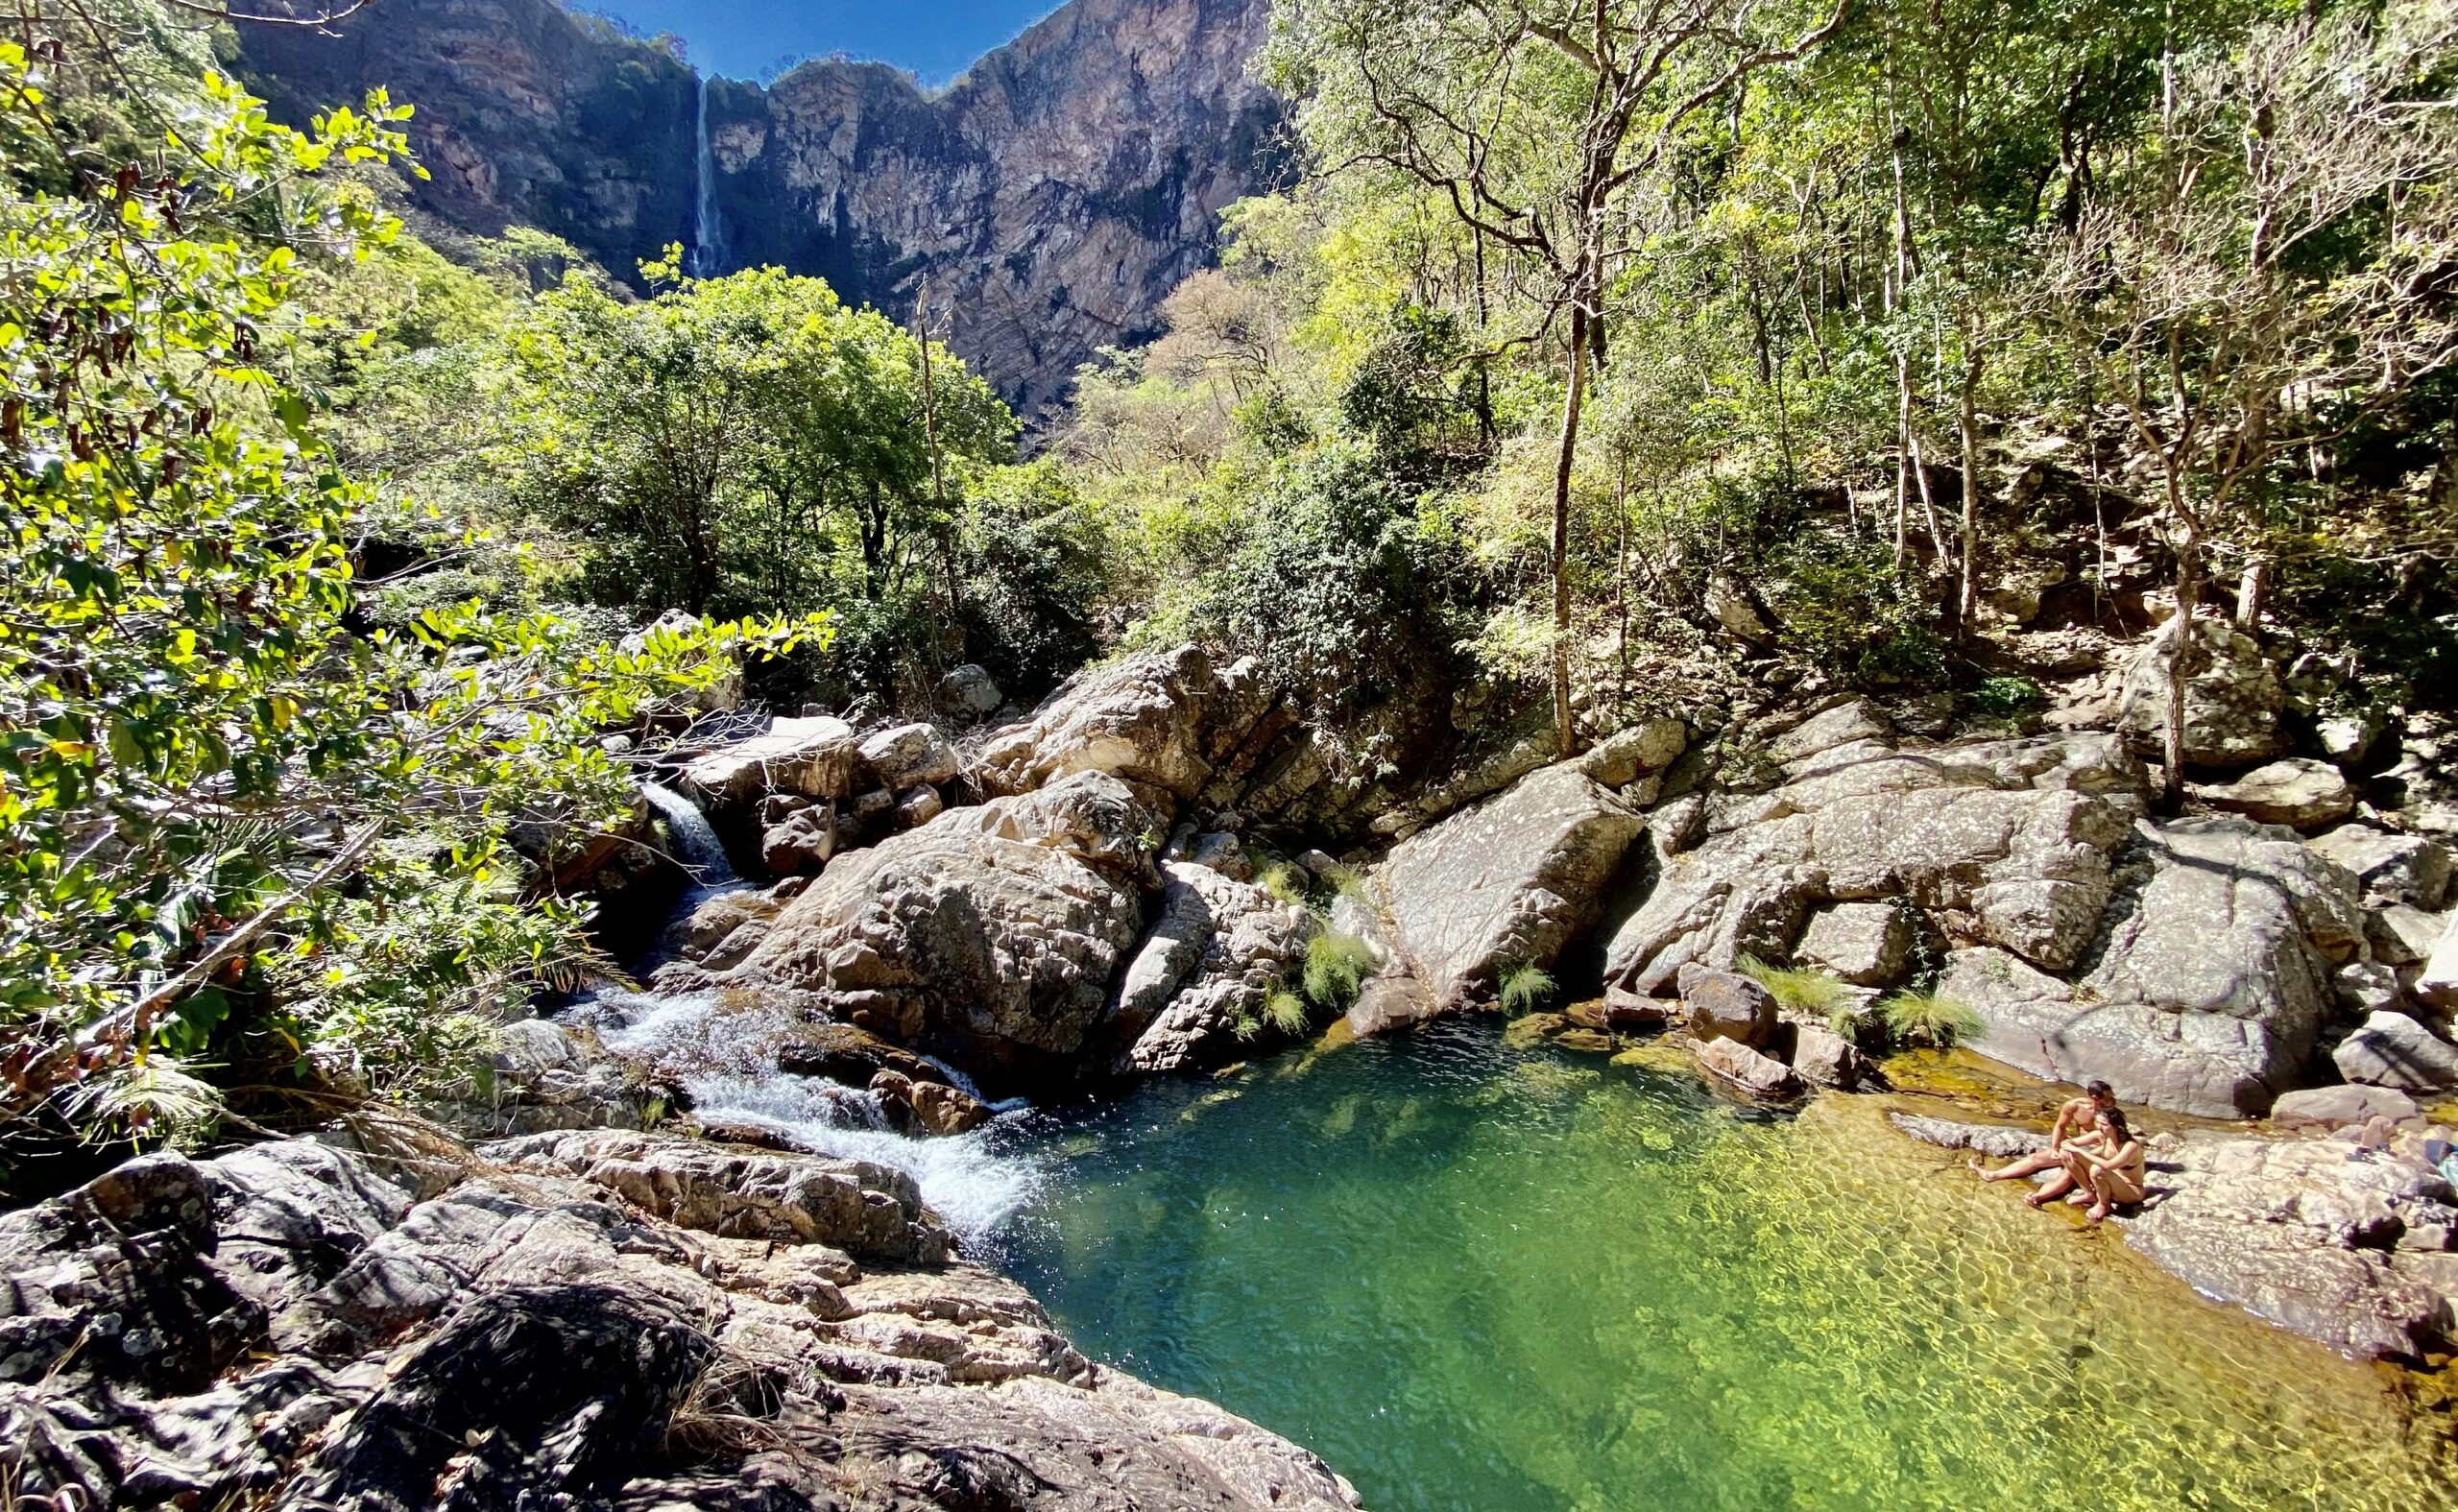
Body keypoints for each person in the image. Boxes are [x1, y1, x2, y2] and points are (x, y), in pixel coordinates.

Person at [1970, 1080, 2117, 1188]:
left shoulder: (2113, 1113)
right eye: (2109, 1097)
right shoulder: (2075, 1106)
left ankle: (2041, 1197)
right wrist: (2055, 1148)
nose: (2113, 1100)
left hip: (2100, 1152)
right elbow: (2060, 1126)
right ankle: (1993, 1175)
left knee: (2067, 1174)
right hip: (2080, 1146)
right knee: (2036, 1158)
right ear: (2095, 1097)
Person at [2059, 1107, 2147, 1223]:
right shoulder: (2102, 1136)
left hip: (2130, 1191)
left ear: (2117, 1127)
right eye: (2098, 1122)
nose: (2099, 1127)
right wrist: (2067, 1146)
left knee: (2097, 1169)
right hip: (2110, 1181)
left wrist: (2079, 1151)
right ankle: (2089, 1194)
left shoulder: (2131, 1146)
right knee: (2065, 1153)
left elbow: (2109, 1165)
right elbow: (2069, 1142)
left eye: (2104, 1124)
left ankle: (2104, 1205)